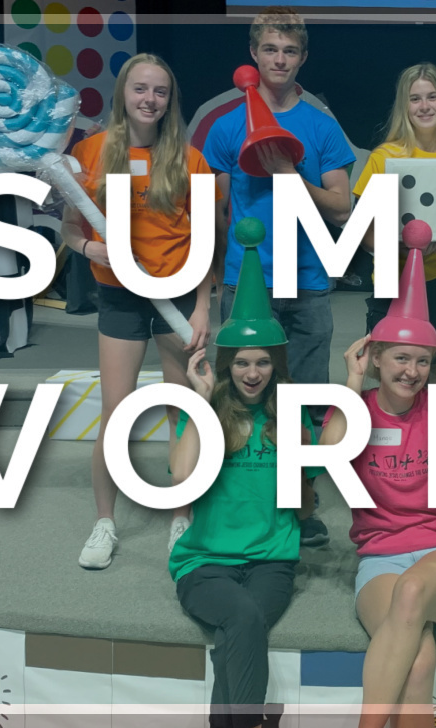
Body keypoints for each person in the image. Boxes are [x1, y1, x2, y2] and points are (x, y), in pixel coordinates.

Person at [202, 6, 356, 548]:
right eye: (271, 49)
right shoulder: (224, 128)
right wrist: (214, 282)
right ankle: (238, 505)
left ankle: (303, 506)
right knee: (238, 399)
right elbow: (215, 215)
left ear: (303, 57)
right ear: (254, 53)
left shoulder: (320, 126)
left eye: (290, 51)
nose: (280, 60)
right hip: (249, 286)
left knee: (306, 402)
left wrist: (289, 176)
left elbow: (340, 208)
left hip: (310, 282)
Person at [64, 53, 223, 570]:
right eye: (140, 89)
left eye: (160, 91)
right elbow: (69, 229)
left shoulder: (190, 159)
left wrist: (202, 308)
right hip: (119, 297)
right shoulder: (89, 153)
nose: (149, 100)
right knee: (116, 413)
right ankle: (104, 523)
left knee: (185, 412)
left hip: (177, 298)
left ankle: (181, 517)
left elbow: (208, 242)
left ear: (169, 100)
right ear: (123, 94)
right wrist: (92, 250)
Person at [319, 223, 436, 728]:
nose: (411, 371)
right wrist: (350, 378)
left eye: (423, 362)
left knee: (413, 595)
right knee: (419, 655)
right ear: (376, 358)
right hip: (379, 557)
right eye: (400, 358)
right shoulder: (355, 408)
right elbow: (327, 459)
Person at [171, 220, 319, 728]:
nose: (251, 373)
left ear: (276, 365)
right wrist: (199, 396)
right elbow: (181, 476)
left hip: (271, 562)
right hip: (204, 561)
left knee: (240, 628)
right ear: (226, 364)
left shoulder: (291, 416)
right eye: (240, 364)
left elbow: (314, 482)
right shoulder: (207, 411)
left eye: (262, 363)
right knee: (242, 618)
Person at [353, 63, 436, 363]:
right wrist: (400, 247)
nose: (424, 106)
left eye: (432, 97)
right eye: (415, 99)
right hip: (393, 285)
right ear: (404, 106)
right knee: (394, 379)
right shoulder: (383, 158)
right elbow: (363, 229)